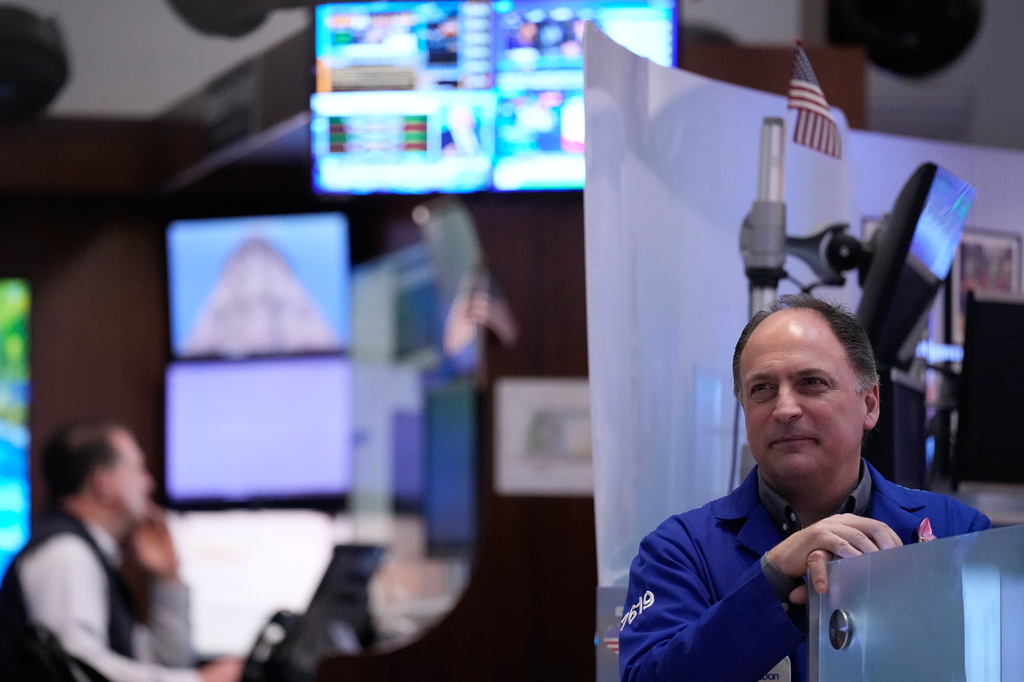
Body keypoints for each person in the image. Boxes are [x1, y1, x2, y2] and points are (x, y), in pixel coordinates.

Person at [618, 294, 991, 682]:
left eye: (811, 383)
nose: (784, 409)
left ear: (869, 404)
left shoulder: (956, 532)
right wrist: (772, 579)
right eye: (762, 388)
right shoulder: (680, 551)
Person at [0, 419, 244, 682]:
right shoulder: (65, 553)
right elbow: (78, 668)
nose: (148, 483)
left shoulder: (88, 554)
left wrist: (168, 579)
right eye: (139, 470)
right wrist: (200, 681)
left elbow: (161, 662)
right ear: (104, 484)